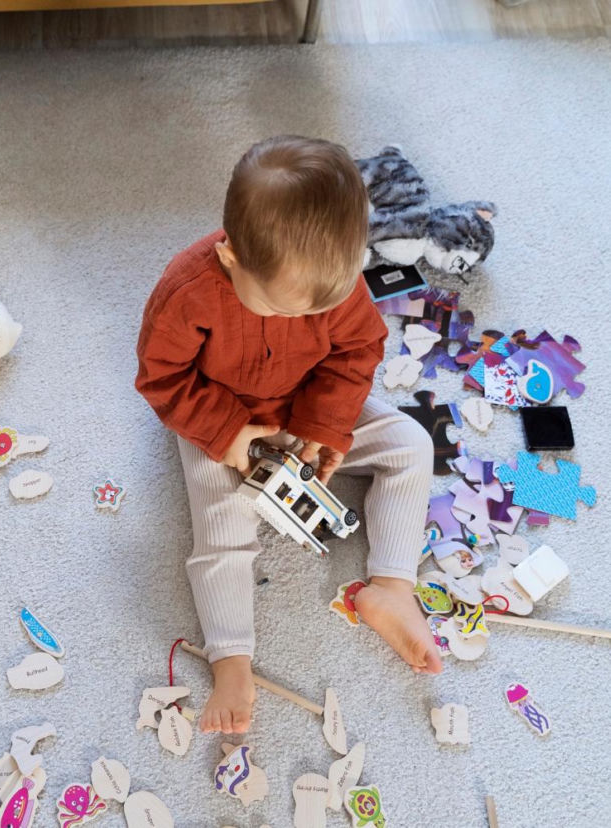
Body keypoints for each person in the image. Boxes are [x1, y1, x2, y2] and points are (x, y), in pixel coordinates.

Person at [135, 135, 442, 735]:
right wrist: (223, 432)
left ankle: (391, 586)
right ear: (231, 259)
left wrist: (323, 426)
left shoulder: (334, 280)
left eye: (318, 308)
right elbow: (161, 379)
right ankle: (230, 658)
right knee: (224, 525)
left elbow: (357, 349)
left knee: (412, 444)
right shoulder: (187, 291)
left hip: (305, 404)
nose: (307, 319)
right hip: (218, 417)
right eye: (285, 310)